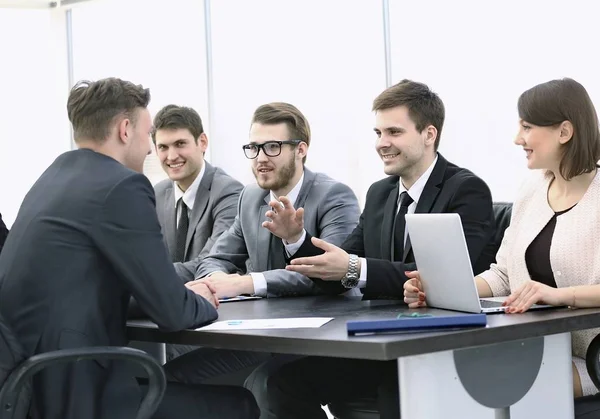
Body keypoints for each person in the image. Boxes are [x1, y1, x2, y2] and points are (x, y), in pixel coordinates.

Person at [0, 78, 258, 419]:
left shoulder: (50, 180)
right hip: (74, 390)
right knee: (240, 406)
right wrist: (201, 299)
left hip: (29, 383)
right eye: (147, 133)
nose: (151, 150)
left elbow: (90, 288)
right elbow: (173, 314)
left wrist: (176, 293)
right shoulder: (121, 184)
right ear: (125, 129)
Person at [260, 79, 494, 418]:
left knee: (393, 394)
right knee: (280, 384)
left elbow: (443, 277)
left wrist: (355, 268)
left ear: (429, 134)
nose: (381, 144)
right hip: (379, 344)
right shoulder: (380, 194)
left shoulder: (466, 190)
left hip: (437, 346)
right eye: (378, 133)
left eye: (394, 132)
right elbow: (333, 275)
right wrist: (295, 239)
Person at [405, 77, 600, 399]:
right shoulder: (532, 189)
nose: (516, 139)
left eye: (527, 127)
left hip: (592, 357)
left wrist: (558, 294)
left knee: (504, 387)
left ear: (564, 132)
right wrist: (438, 288)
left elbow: (550, 293)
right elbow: (504, 273)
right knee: (448, 380)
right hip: (543, 349)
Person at [165, 102, 360, 387]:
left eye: (272, 147)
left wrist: (243, 283)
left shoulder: (335, 196)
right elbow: (217, 256)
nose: (260, 158)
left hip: (317, 337)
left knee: (202, 378)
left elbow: (327, 272)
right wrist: (213, 279)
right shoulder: (251, 197)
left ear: (301, 149)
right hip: (259, 330)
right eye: (254, 148)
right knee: (167, 368)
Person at [153, 104, 242, 264]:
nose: (171, 156)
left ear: (202, 142)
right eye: (163, 147)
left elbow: (212, 262)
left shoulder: (229, 192)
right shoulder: (157, 194)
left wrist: (149, 278)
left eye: (180, 144)